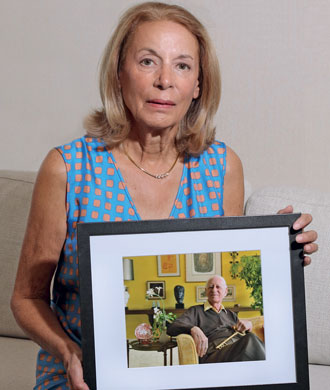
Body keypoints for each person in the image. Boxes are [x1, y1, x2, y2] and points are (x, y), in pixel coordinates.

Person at [10, 2, 317, 390]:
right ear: (119, 74)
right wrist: (70, 353)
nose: (164, 81)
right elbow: (26, 298)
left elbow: (231, 263)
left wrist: (281, 252)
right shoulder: (67, 168)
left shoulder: (223, 167)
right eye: (147, 62)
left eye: (183, 66)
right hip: (85, 377)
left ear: (198, 86)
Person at [167, 275, 265, 363]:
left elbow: (243, 333)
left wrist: (248, 325)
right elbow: (172, 327)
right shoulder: (196, 311)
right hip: (213, 353)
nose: (214, 290)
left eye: (218, 287)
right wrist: (193, 328)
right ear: (205, 291)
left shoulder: (230, 314)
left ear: (225, 292)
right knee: (250, 340)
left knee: (251, 340)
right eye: (210, 287)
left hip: (237, 348)